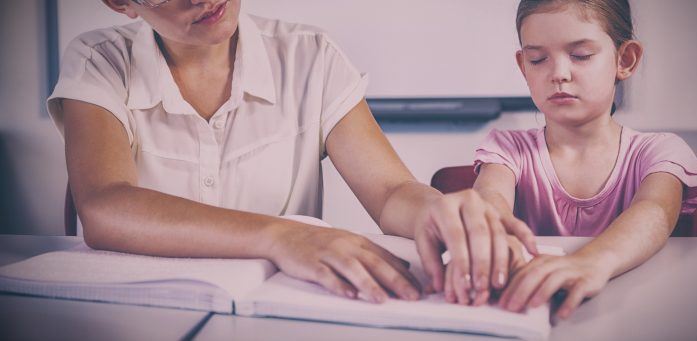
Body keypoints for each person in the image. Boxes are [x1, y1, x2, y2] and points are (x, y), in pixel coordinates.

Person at [48, 0, 530, 305]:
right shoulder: (98, 61)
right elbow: (105, 205)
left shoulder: (310, 57)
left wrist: (440, 212)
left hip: (278, 315)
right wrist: (282, 236)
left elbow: (389, 192)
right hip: (144, 316)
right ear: (120, 3)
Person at [451, 0, 697, 318]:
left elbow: (654, 211)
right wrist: (491, 237)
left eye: (580, 55)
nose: (558, 74)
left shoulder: (661, 152)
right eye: (538, 59)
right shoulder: (507, 149)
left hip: (630, 314)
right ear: (523, 67)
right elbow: (491, 198)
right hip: (530, 312)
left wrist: (589, 263)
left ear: (625, 60)